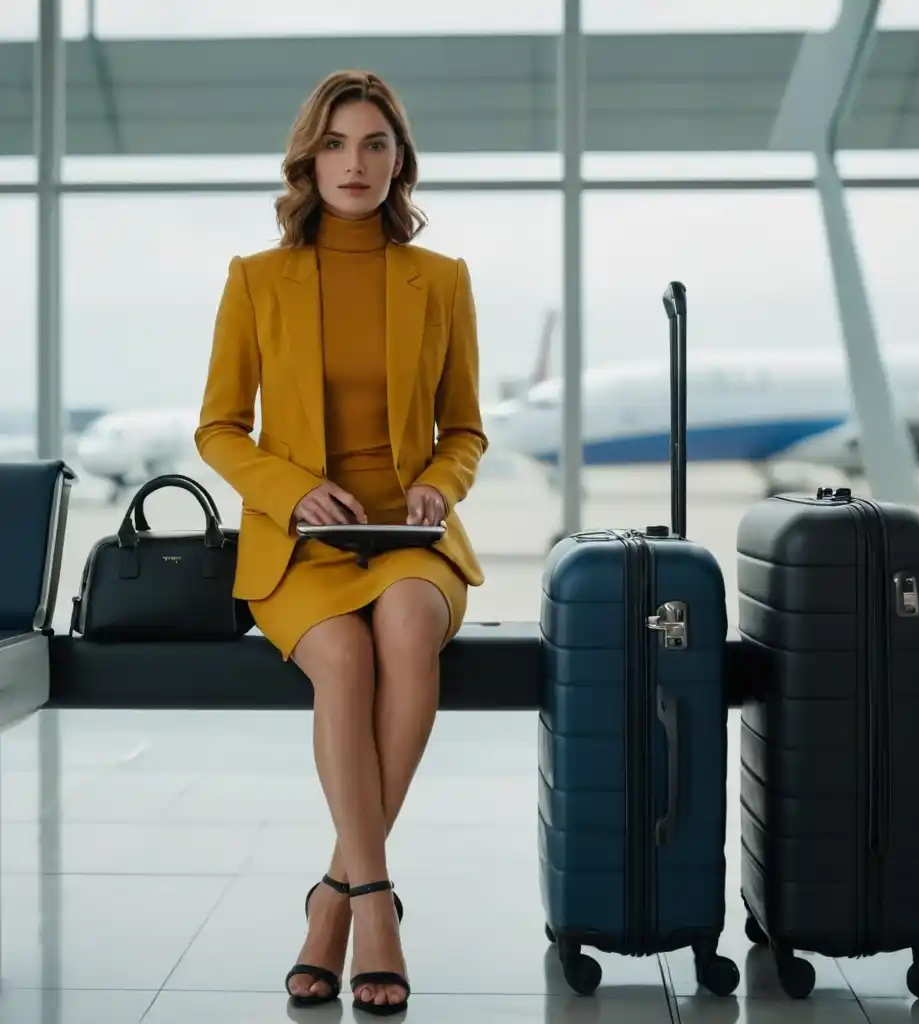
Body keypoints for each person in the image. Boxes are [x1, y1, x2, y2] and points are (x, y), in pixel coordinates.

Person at [194, 69, 488, 1015]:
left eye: (372, 145)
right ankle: (369, 908)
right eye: (334, 145)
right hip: (300, 545)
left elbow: (466, 430)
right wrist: (290, 490)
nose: (353, 164)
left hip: (409, 537)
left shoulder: (440, 280)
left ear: (400, 161)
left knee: (405, 624)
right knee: (348, 662)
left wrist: (436, 491)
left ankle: (340, 900)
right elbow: (219, 428)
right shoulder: (256, 279)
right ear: (307, 159)